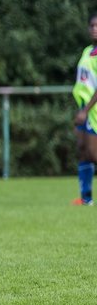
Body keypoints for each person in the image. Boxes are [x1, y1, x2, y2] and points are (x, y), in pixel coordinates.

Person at [70, 12, 97, 205]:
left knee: (94, 154)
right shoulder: (88, 51)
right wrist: (80, 108)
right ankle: (86, 198)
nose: (94, 29)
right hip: (83, 107)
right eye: (92, 26)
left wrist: (86, 110)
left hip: (92, 109)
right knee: (82, 150)